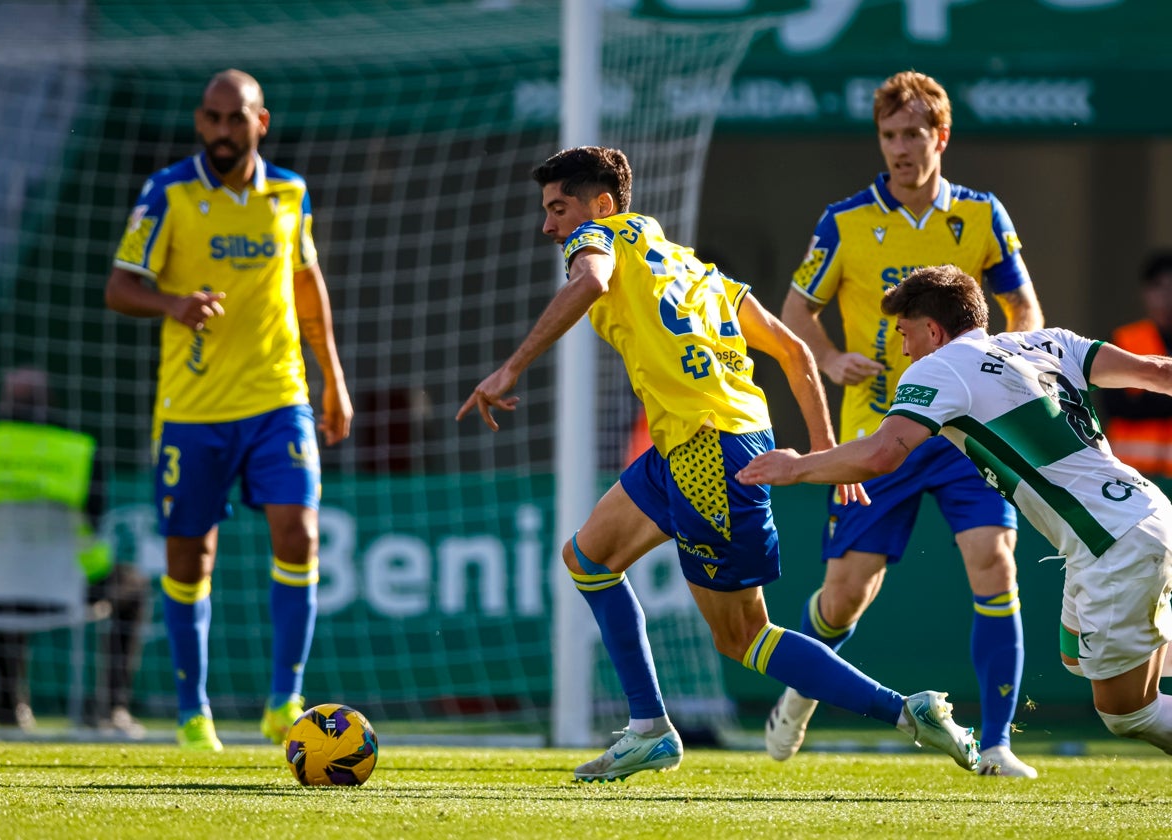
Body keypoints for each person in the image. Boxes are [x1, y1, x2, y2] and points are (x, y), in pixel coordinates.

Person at [457, 145, 980, 781]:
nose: (550, 226)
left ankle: (908, 711)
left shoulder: (597, 239)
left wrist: (511, 367)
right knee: (586, 559)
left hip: (710, 455)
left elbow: (591, 280)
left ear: (600, 205)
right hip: (698, 444)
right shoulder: (692, 266)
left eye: (557, 208)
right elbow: (793, 353)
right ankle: (649, 727)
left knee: (742, 638)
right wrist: (824, 455)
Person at [739, 264, 1172, 757]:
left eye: (904, 334)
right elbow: (1157, 371)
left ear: (933, 330)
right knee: (1075, 654)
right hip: (1147, 513)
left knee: (1127, 714)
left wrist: (795, 467)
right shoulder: (1049, 341)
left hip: (1111, 543)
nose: (903, 349)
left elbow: (882, 454)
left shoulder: (940, 365)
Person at [772, 70, 1046, 777]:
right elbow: (795, 313)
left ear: (940, 136)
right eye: (889, 134)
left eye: (913, 133)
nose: (899, 147)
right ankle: (802, 691)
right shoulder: (845, 221)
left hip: (967, 434)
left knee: (994, 559)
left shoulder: (983, 216)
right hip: (882, 434)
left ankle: (995, 743)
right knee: (844, 595)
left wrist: (1008, 373)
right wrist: (830, 358)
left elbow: (1026, 313)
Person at [104, 69, 353, 751]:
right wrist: (173, 305)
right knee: (189, 558)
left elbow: (307, 286)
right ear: (199, 121)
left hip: (279, 399)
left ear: (260, 123)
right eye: (212, 119)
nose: (222, 132)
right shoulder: (168, 193)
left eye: (235, 119)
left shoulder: (289, 192)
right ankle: (193, 714)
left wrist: (333, 379)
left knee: (299, 533)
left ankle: (284, 701)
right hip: (192, 408)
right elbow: (120, 287)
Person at [0, 368, 149, 738]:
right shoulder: (78, 450)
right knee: (133, 586)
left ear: (3, 404)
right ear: (49, 403)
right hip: (65, 587)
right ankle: (110, 707)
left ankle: (9, 705)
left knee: (3, 576)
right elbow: (96, 518)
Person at [1101, 251, 1172, 478]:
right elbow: (1115, 404)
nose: (1167, 295)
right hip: (1132, 475)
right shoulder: (1125, 340)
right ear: (1146, 292)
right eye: (1159, 287)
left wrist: (1146, 398)